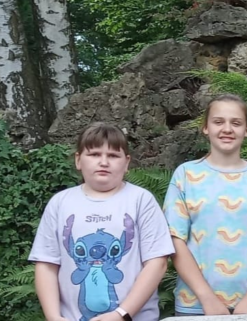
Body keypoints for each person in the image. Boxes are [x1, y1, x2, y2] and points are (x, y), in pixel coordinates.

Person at [164, 94, 247, 316]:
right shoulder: (185, 175)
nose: (227, 129)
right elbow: (174, 239)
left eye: (236, 123)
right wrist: (207, 298)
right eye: (218, 121)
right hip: (195, 305)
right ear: (206, 128)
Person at [30, 123, 173, 321]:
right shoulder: (60, 203)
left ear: (127, 163)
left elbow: (157, 262)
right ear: (78, 160)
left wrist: (121, 314)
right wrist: (54, 317)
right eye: (95, 154)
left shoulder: (141, 200)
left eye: (113, 156)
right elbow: (46, 264)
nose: (104, 162)